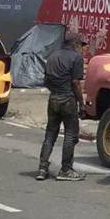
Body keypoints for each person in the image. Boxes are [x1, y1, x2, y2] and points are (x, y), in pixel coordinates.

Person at [37, 32, 87, 181]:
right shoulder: (76, 58)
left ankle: (42, 168)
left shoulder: (52, 56)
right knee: (70, 135)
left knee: (50, 134)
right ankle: (66, 169)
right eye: (81, 46)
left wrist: (56, 91)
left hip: (53, 99)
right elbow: (76, 83)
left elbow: (46, 80)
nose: (82, 49)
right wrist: (82, 105)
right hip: (68, 100)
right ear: (75, 44)